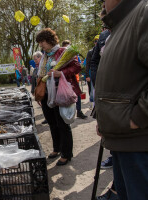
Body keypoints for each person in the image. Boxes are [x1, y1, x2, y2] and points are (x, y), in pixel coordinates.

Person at [95, 0, 148, 199]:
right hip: (126, 145)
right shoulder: (122, 23)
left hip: (147, 150)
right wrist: (104, 118)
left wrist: (138, 118)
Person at [36, 28, 81, 165]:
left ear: (49, 39)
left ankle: (66, 154)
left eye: (42, 42)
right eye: (39, 43)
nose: (41, 45)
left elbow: (77, 67)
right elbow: (40, 75)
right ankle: (57, 148)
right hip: (47, 95)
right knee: (52, 123)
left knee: (62, 125)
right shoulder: (45, 55)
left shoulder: (63, 52)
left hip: (60, 93)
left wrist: (60, 73)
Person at [62, 40, 87, 119]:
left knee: (78, 95)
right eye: (66, 47)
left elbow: (78, 66)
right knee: (67, 97)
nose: (68, 48)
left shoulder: (75, 55)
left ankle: (79, 111)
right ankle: (67, 114)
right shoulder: (61, 56)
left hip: (74, 78)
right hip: (65, 80)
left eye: (69, 46)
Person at [85, 35, 99, 110]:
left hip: (100, 74)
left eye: (98, 41)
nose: (96, 42)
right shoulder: (90, 52)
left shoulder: (102, 50)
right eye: (95, 41)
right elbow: (87, 64)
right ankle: (92, 104)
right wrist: (87, 75)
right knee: (91, 90)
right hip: (92, 74)